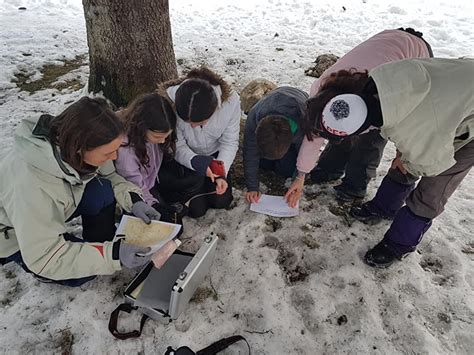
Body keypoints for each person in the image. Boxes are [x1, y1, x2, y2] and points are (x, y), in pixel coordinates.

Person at [304, 57, 473, 267]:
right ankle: (384, 208)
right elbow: (411, 131)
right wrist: (404, 156)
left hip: (462, 123)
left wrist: (406, 161)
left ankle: (398, 245)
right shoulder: (376, 84)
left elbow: (430, 162)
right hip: (449, 101)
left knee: (432, 190)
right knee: (404, 161)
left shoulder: (416, 126)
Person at [0, 97, 161, 286]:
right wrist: (113, 256)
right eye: (108, 153)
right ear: (79, 149)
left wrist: (134, 200)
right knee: (81, 274)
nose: (115, 157)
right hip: (13, 233)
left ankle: (102, 242)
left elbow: (110, 178)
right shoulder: (31, 186)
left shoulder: (78, 140)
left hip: (59, 205)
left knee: (101, 191)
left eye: (116, 150)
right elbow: (45, 257)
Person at [285, 28, 433, 205]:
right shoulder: (320, 91)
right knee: (342, 132)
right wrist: (301, 174)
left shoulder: (383, 100)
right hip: (388, 39)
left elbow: (409, 123)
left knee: (370, 141)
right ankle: (329, 169)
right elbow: (314, 134)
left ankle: (354, 188)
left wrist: (402, 154)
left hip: (415, 54)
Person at [156, 67, 241, 218]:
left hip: (215, 156)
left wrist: (221, 170)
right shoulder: (170, 103)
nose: (193, 126)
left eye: (200, 122)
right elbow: (177, 145)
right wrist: (195, 161)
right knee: (196, 210)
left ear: (215, 108)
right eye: (188, 122)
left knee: (221, 200)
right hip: (188, 157)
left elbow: (229, 141)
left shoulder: (230, 102)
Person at [114, 93, 185, 225]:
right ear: (142, 126)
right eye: (158, 137)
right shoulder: (126, 151)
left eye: (166, 136)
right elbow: (134, 185)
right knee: (167, 225)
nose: (163, 141)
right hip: (134, 194)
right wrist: (154, 205)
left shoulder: (151, 136)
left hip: (150, 182)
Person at [243, 86, 309, 203]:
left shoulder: (304, 123)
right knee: (263, 164)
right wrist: (252, 187)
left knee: (287, 170)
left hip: (296, 101)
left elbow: (306, 152)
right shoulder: (254, 118)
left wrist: (298, 179)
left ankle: (283, 159)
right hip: (272, 102)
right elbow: (249, 151)